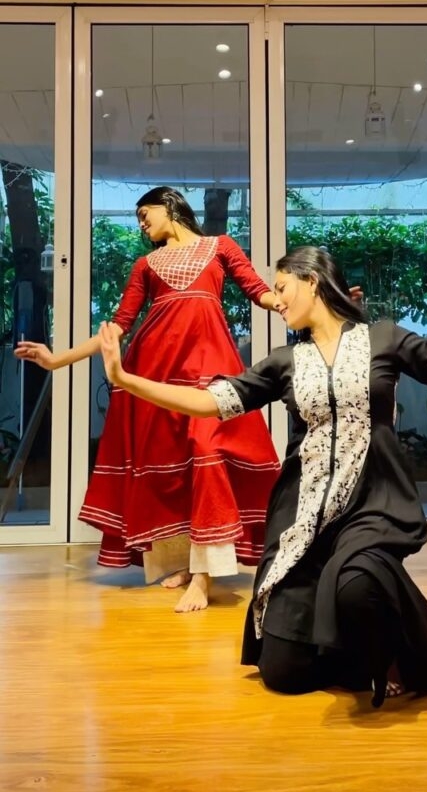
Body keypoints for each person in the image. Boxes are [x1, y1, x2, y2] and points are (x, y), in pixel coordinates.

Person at [96, 246, 427, 705]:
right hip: (303, 517)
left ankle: (407, 652)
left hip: (372, 508)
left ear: (312, 281)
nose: (275, 300)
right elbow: (209, 402)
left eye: (281, 288)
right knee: (283, 673)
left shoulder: (384, 339)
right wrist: (127, 380)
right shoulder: (284, 361)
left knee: (358, 583)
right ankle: (360, 652)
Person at [14, 187, 284, 612]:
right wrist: (56, 360)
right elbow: (119, 325)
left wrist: (299, 300)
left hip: (208, 366)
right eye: (138, 218)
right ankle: (183, 561)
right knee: (169, 467)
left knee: (207, 450)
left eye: (145, 213)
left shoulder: (220, 247)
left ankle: (204, 575)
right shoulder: (145, 265)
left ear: (170, 206)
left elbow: (257, 290)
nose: (141, 223)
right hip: (154, 369)